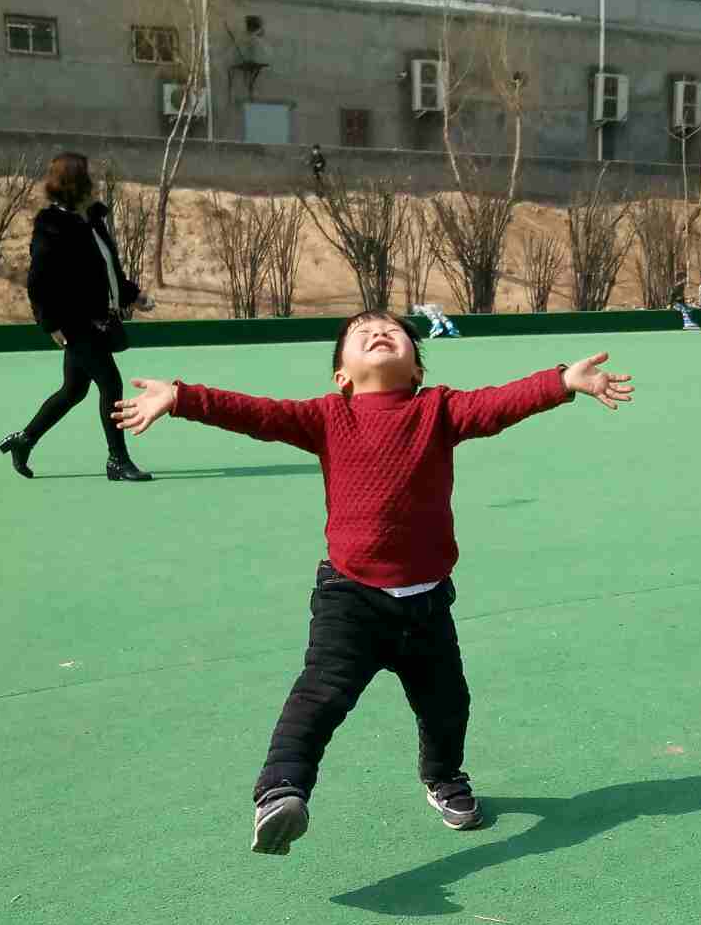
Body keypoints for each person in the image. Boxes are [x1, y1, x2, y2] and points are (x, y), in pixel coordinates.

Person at [111, 315, 634, 856]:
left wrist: (562, 381)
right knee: (319, 697)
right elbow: (256, 413)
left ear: (417, 370)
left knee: (447, 704)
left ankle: (444, 776)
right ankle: (281, 791)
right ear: (342, 375)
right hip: (350, 599)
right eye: (362, 334)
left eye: (392, 331)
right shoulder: (327, 416)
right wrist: (181, 396)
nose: (378, 333)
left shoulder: (438, 410)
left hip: (426, 605)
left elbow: (498, 403)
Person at [0, 152, 151, 482]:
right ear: (76, 185)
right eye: (89, 177)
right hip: (75, 323)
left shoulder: (91, 221)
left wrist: (132, 295)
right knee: (111, 382)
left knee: (73, 391)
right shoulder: (52, 226)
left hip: (97, 318)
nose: (95, 183)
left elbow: (107, 270)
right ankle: (117, 460)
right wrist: (50, 323)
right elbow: (38, 280)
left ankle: (24, 441)